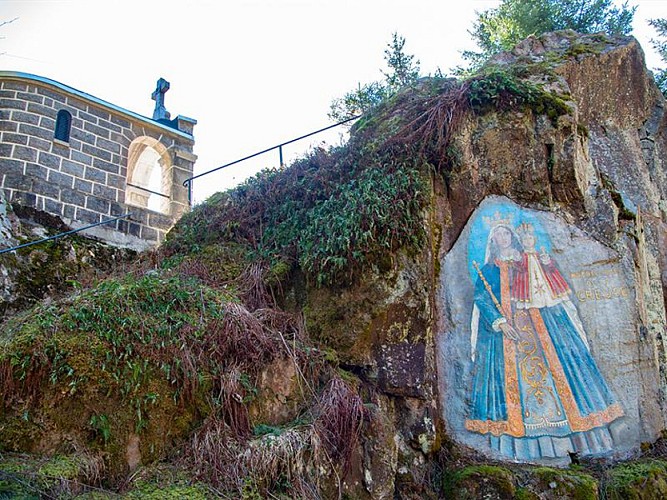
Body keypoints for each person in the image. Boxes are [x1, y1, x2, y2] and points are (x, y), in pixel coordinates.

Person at [466, 216, 623, 460]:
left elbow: (545, 286)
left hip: (542, 327)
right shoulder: (488, 269)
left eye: (506, 233)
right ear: (493, 241)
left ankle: (577, 442)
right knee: (511, 385)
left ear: (512, 236)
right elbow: (482, 298)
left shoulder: (528, 260)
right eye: (498, 235)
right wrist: (500, 322)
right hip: (508, 335)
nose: (503, 238)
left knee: (560, 373)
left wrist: (543, 264)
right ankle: (518, 450)